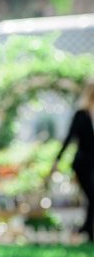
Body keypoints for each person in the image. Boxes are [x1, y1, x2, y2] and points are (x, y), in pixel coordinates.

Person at [51, 80, 94, 242]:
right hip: (83, 163)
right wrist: (57, 160)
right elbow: (70, 138)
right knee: (92, 196)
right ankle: (88, 231)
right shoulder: (81, 114)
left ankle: (87, 229)